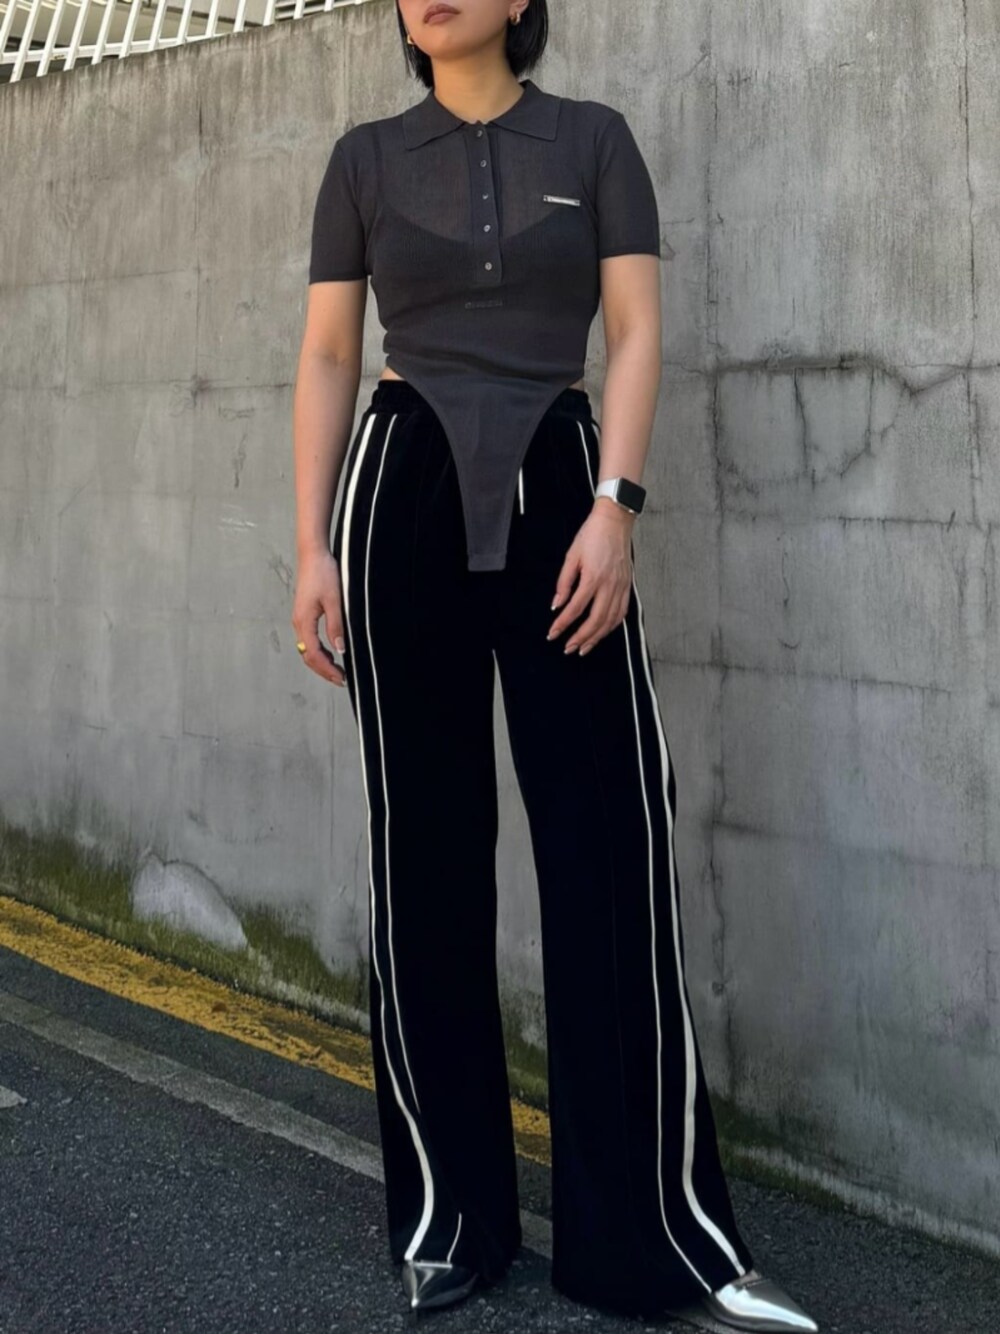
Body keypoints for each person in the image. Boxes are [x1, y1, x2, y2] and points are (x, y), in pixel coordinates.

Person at [291, 2, 820, 1329]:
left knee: (608, 847)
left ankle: (657, 1239)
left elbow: (633, 331)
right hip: (402, 486)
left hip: (561, 488)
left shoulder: (594, 143)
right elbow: (330, 351)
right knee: (424, 854)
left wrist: (616, 506)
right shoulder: (363, 160)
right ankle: (449, 1218)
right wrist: (309, 547)